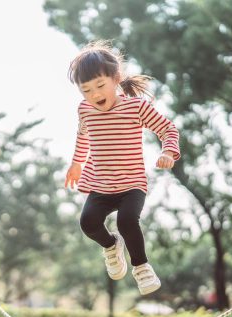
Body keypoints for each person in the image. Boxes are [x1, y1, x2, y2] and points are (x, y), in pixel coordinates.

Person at [64, 41, 180, 295]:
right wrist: (76, 163)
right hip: (100, 183)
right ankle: (111, 245)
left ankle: (141, 267)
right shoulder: (85, 110)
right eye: (86, 90)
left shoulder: (135, 108)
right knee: (88, 223)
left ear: (115, 79)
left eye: (99, 86)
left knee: (127, 221)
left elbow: (168, 128)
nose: (94, 95)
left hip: (131, 183)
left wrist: (168, 151)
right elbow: (83, 137)